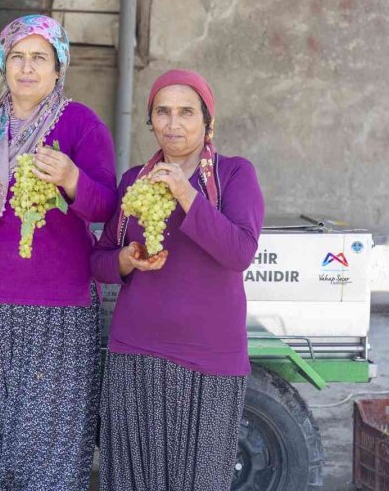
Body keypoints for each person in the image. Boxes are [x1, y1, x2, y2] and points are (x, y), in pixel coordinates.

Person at [0, 15, 118, 490]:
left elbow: (107, 203)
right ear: (3, 63)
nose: (27, 68)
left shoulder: (81, 123)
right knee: (0, 432)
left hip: (59, 304)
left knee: (54, 435)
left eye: (39, 57)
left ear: (58, 67)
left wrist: (70, 179)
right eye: (17, 56)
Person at [91, 69, 265, 490]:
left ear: (208, 122)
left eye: (186, 112)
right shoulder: (135, 181)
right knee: (133, 480)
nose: (173, 123)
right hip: (135, 353)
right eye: (162, 112)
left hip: (210, 360)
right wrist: (127, 261)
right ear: (151, 120)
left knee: (199, 481)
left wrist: (186, 193)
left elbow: (239, 252)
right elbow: (98, 261)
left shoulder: (235, 175)